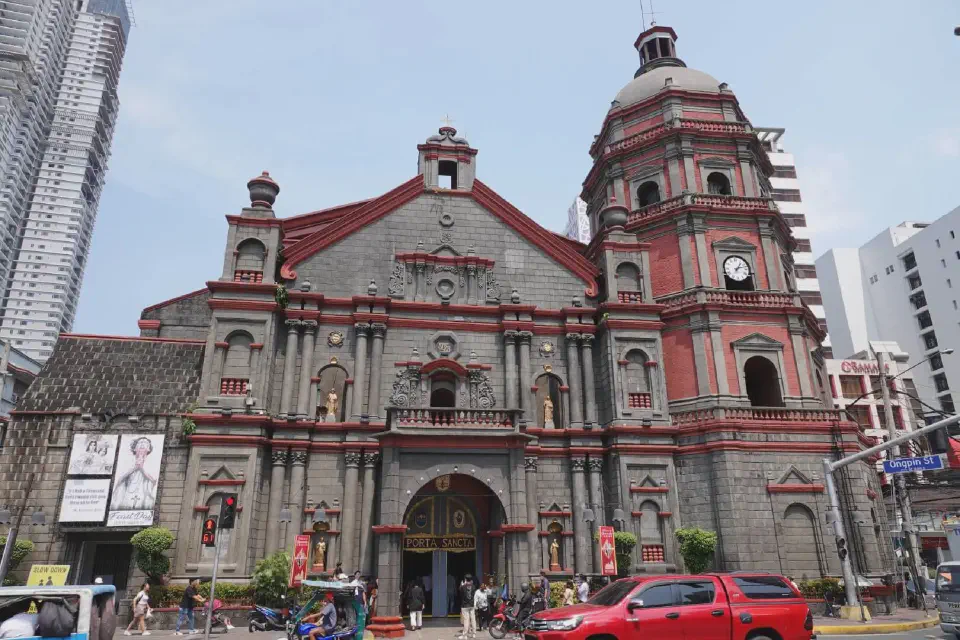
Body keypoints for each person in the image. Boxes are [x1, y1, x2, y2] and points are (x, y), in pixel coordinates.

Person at [459, 575, 477, 639]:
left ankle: (465, 635)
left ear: (465, 579)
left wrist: (462, 584)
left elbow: (460, 592)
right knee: (473, 619)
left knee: (466, 620)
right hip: (471, 605)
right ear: (471, 579)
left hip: (465, 606)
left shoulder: (463, 586)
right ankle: (474, 634)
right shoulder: (474, 586)